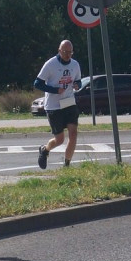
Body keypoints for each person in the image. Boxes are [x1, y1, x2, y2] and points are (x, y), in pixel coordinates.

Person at [34, 40, 82, 169]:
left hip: (69, 102)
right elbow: (37, 83)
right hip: (54, 106)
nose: (68, 55)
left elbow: (78, 81)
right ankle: (45, 149)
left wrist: (78, 85)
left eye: (70, 52)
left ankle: (67, 164)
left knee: (73, 134)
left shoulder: (75, 64)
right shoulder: (50, 64)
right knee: (59, 139)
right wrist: (55, 90)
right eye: (65, 52)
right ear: (59, 51)